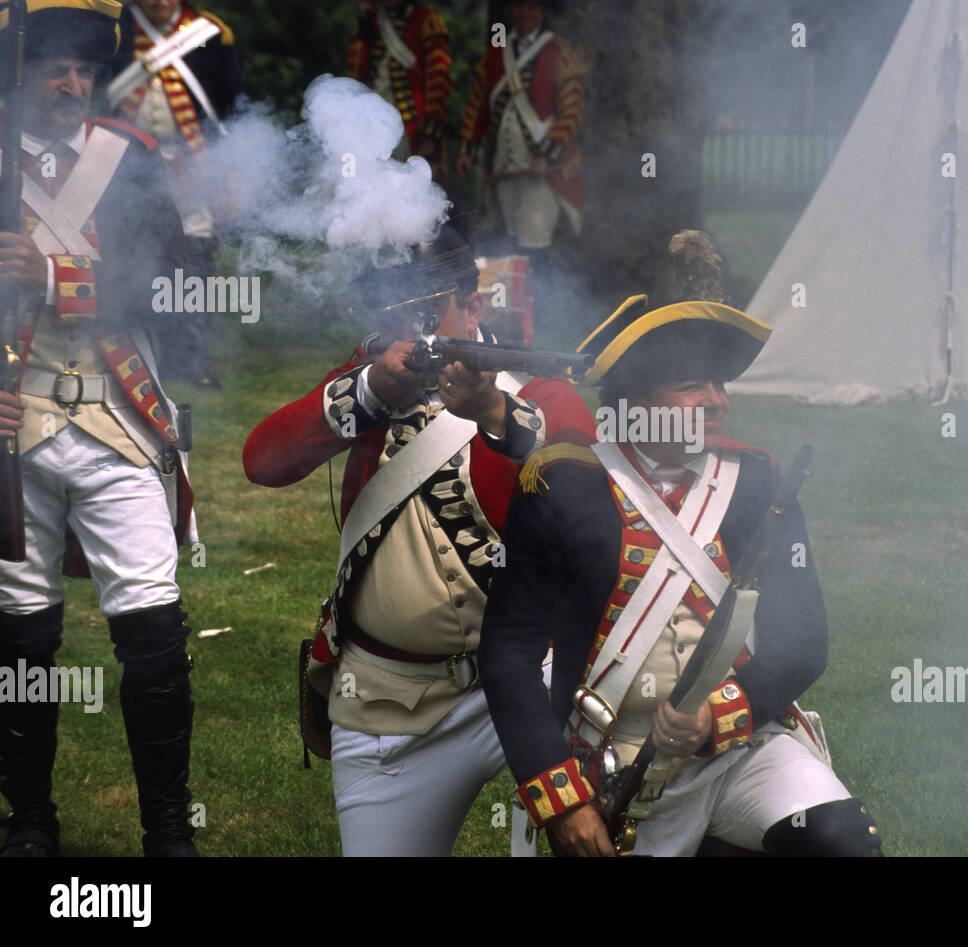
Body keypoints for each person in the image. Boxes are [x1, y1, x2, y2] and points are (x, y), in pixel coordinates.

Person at [478, 292, 884, 856]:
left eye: (719, 385)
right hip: (610, 757)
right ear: (634, 403)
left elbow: (803, 638)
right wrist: (562, 799)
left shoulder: (758, 484)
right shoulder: (563, 487)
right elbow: (509, 653)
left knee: (842, 840)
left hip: (741, 747)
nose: (716, 402)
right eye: (692, 386)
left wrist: (718, 717)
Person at [242, 226, 595, 856]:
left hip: (527, 685)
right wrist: (373, 389)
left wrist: (491, 411)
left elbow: (580, 477)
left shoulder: (528, 389)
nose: (413, 332)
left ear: (473, 306)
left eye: (430, 311)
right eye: (394, 313)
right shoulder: (369, 380)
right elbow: (263, 461)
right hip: (387, 699)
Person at [0, 0, 198, 858]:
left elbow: (182, 293)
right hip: (13, 423)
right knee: (22, 631)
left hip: (118, 414)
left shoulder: (133, 161)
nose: (71, 80)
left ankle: (166, 830)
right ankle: (31, 823)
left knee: (152, 630)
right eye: (52, 64)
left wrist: (54, 274)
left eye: (83, 66)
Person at [102, 0, 245, 387]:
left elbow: (232, 108)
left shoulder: (209, 35)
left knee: (195, 265)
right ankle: (129, 355)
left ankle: (189, 360)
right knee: (128, 258)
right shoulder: (113, 26)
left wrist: (231, 175)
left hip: (193, 166)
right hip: (128, 165)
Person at [456, 0, 582, 252]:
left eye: (533, 6)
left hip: (542, 167)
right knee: (510, 238)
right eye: (519, 6)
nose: (525, 13)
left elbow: (571, 112)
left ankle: (544, 292)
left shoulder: (557, 50)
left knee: (535, 234)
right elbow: (478, 104)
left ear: (542, 11)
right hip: (504, 164)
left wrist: (546, 155)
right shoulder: (496, 50)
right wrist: (468, 149)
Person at [347, 0, 452, 166]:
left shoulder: (426, 17)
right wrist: (364, 26)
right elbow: (356, 73)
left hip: (413, 126)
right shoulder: (372, 21)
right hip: (375, 121)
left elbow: (438, 78)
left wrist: (429, 133)